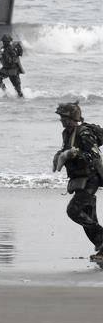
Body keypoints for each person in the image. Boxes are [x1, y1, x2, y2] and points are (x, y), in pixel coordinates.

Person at [52, 102, 103, 262]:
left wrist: (74, 154)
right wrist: (60, 155)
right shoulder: (67, 133)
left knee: (73, 211)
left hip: (91, 179)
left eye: (65, 118)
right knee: (89, 218)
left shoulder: (84, 133)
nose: (62, 120)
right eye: (61, 117)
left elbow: (95, 156)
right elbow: (65, 149)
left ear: (73, 118)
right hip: (79, 179)